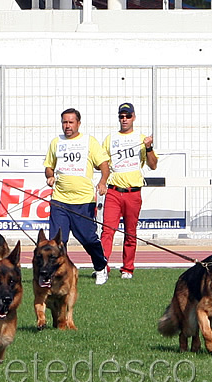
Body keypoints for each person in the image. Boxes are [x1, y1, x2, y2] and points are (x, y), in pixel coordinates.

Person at [44, 108, 110, 285]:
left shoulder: (89, 142)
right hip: (59, 200)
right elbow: (49, 166)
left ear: (78, 123)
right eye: (64, 122)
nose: (67, 125)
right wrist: (50, 176)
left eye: (71, 122)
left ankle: (100, 267)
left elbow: (104, 165)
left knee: (88, 239)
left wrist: (102, 181)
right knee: (58, 241)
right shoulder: (56, 142)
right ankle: (58, 273)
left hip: (83, 202)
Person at [101, 102, 158, 279]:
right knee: (107, 230)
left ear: (133, 117)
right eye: (121, 116)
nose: (124, 119)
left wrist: (148, 147)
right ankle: (102, 266)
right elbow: (103, 163)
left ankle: (128, 268)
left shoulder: (141, 138)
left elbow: (153, 165)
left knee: (130, 232)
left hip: (133, 192)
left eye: (127, 116)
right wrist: (102, 181)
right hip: (113, 191)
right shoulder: (110, 138)